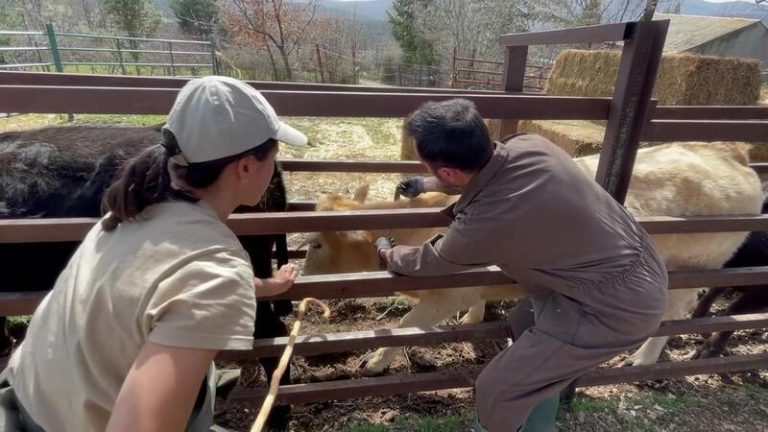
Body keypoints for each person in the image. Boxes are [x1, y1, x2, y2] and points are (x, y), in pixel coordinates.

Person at [0, 75, 308, 432]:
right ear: (245, 167)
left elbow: (170, 288)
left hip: (29, 404)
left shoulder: (129, 216)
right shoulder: (212, 270)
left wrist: (267, 286)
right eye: (274, 154)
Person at [376, 98, 668, 432]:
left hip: (612, 309)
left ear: (448, 171)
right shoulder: (531, 145)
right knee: (523, 319)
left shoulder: (484, 224)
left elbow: (433, 260)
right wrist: (429, 184)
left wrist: (388, 252)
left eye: (427, 167)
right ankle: (539, 421)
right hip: (638, 269)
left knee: (498, 388)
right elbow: (485, 174)